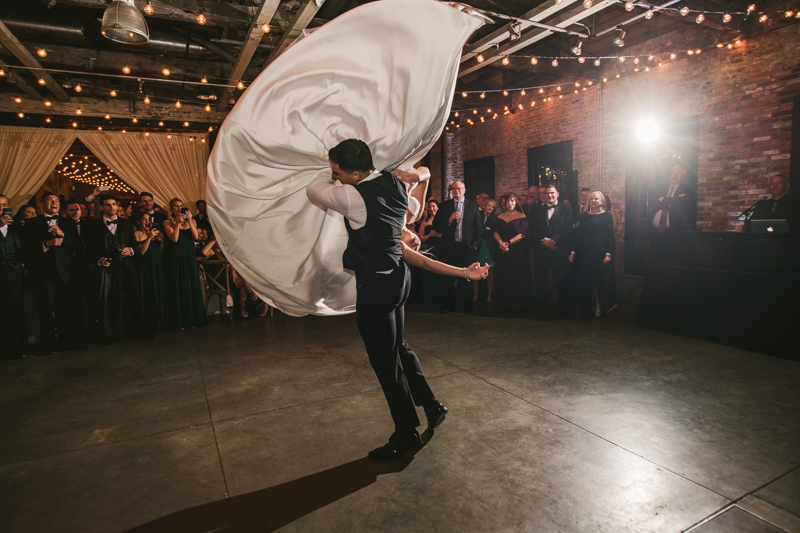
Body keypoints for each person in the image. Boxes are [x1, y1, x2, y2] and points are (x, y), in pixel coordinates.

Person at [306, 139, 487, 461]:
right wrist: (420, 176)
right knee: (398, 347)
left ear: (357, 173)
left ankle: (405, 433)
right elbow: (414, 238)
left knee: (384, 361)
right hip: (399, 278)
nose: (335, 177)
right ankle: (431, 405)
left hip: (376, 286)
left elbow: (312, 189)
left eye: (338, 172)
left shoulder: (354, 195)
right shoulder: (395, 185)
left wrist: (329, 172)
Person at [22, 192, 83, 354]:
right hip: (44, 272)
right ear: (42, 204)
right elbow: (26, 248)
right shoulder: (32, 223)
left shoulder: (67, 223)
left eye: (56, 200)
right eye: (49, 200)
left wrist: (62, 235)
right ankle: (47, 344)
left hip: (65, 272)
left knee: (66, 307)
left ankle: (67, 341)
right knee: (46, 307)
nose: (53, 202)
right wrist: (45, 244)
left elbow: (77, 245)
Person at [85, 196, 144, 343]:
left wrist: (129, 250)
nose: (111, 207)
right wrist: (99, 260)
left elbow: (133, 244)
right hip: (107, 269)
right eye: (108, 205)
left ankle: (132, 330)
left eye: (113, 204)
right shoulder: (94, 225)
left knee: (131, 296)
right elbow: (90, 248)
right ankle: (110, 333)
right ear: (102, 207)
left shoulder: (126, 223)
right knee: (109, 300)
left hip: (126, 267)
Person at [431, 180, 484, 313]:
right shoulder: (444, 206)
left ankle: (466, 306)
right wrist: (449, 219)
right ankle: (447, 306)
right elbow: (436, 225)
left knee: (466, 278)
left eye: (459, 189)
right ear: (451, 191)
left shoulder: (473, 206)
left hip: (467, 248)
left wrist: (475, 245)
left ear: (464, 190)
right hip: (449, 248)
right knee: (447, 278)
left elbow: (479, 228)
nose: (457, 191)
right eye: (454, 189)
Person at [529, 184, 574, 317]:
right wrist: (545, 241)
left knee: (561, 280)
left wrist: (554, 241)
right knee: (540, 280)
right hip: (541, 250)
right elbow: (533, 228)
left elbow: (567, 229)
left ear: (557, 194)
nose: (549, 195)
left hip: (558, 250)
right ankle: (539, 308)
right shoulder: (537, 209)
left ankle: (564, 310)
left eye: (552, 193)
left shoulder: (567, 209)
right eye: (547, 193)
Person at [569, 192, 615, 319]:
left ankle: (600, 309)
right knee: (585, 283)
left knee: (600, 283)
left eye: (596, 198)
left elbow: (609, 236)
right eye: (591, 199)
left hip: (600, 254)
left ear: (602, 201)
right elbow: (579, 236)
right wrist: (573, 251)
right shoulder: (584, 216)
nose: (593, 201)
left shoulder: (607, 216)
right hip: (584, 254)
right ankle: (586, 312)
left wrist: (608, 253)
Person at [163, 198, 205, 329]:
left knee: (191, 282)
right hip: (176, 254)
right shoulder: (167, 222)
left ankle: (194, 319)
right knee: (179, 284)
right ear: (172, 208)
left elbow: (196, 236)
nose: (179, 208)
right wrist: (177, 224)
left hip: (189, 254)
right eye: (176, 206)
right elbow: (174, 239)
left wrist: (191, 221)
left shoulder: (192, 221)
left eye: (181, 206)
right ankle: (180, 320)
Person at [492, 194, 529, 314]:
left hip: (516, 250)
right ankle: (503, 305)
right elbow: (495, 231)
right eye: (508, 201)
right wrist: (500, 243)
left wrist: (508, 243)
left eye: (512, 201)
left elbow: (522, 234)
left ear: (516, 202)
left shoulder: (521, 216)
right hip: (501, 250)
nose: (510, 203)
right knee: (503, 276)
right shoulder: (500, 216)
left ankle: (517, 306)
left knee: (515, 276)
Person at [133, 211, 166, 335]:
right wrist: (149, 238)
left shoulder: (155, 233)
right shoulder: (136, 234)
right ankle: (147, 323)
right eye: (144, 219)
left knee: (158, 292)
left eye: (149, 219)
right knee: (147, 293)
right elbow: (141, 252)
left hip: (156, 266)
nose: (147, 222)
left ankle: (160, 322)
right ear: (138, 221)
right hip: (145, 267)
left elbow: (160, 253)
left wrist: (161, 241)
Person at [0, 194, 24, 358]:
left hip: (14, 274)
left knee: (14, 311)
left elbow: (22, 246)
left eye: (5, 204)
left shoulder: (14, 226)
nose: (2, 208)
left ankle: (14, 348)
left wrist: (22, 264)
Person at [650, 165, 695, 233]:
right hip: (653, 231)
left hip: (674, 232)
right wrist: (672, 201)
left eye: (678, 172)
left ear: (682, 177)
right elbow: (654, 203)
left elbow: (680, 203)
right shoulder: (660, 189)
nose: (674, 174)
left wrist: (664, 200)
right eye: (672, 172)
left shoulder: (686, 190)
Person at [473, 198, 497, 305]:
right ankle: (475, 295)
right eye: (489, 205)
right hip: (479, 246)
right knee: (476, 270)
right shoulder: (478, 215)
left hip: (489, 247)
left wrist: (489, 231)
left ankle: (489, 296)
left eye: (492, 206)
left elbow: (494, 232)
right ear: (485, 206)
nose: (490, 208)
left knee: (490, 271)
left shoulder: (495, 219)